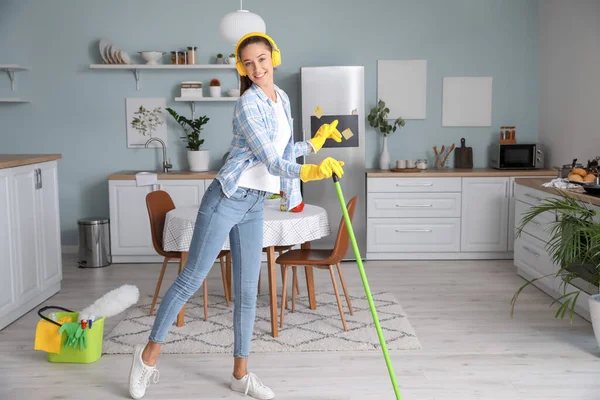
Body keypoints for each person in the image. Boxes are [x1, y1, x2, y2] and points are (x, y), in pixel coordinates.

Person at [128, 31, 345, 400]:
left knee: (248, 291)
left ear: (274, 57)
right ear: (242, 67)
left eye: (261, 59)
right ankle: (146, 357)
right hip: (227, 197)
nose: (256, 68)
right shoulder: (247, 103)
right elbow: (272, 160)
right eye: (248, 63)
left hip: (255, 202)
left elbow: (283, 148)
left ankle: (240, 375)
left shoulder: (283, 99)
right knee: (191, 279)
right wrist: (311, 171)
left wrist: (314, 143)